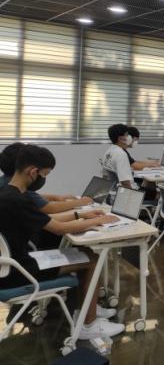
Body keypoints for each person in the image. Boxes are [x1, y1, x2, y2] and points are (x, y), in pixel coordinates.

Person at [0, 144, 124, 339]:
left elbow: (49, 220)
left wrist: (82, 215)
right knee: (91, 259)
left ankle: (87, 309)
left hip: (11, 265)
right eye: (44, 174)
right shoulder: (18, 200)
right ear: (33, 172)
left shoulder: (9, 193)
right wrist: (98, 220)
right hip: (18, 271)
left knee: (83, 254)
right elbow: (58, 228)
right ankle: (88, 325)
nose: (44, 179)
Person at [0, 142, 93, 213]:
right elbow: (50, 209)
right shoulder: (16, 189)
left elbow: (32, 198)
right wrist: (80, 202)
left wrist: (55, 197)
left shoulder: (6, 181)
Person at [103, 124, 135, 189]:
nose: (129, 137)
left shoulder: (109, 151)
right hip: (121, 192)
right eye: (127, 135)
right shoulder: (121, 154)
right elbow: (125, 183)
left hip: (112, 190)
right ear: (120, 139)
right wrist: (132, 195)